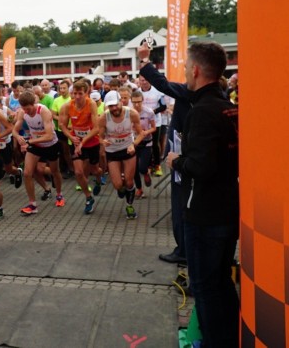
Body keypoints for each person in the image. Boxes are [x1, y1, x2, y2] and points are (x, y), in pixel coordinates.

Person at [165, 42, 239, 347]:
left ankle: (213, 341)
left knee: (205, 286)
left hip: (205, 215)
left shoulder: (201, 112)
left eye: (185, 67)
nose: (184, 73)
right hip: (227, 208)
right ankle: (230, 336)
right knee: (222, 281)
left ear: (195, 70)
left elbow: (201, 166)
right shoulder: (228, 106)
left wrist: (175, 160)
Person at [138, 43, 191, 264]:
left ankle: (183, 252)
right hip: (182, 160)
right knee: (181, 208)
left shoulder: (193, 93)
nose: (185, 71)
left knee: (181, 208)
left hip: (183, 162)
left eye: (188, 68)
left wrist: (144, 60)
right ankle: (184, 249)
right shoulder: (206, 94)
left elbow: (162, 84)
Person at [14, 91, 65, 215]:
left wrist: (29, 141)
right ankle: (32, 204)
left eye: (28, 109)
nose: (26, 111)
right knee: (27, 173)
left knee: (55, 171)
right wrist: (19, 138)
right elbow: (14, 130)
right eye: (24, 109)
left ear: (34, 104)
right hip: (35, 145)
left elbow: (48, 135)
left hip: (50, 144)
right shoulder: (22, 112)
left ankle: (59, 195)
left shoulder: (44, 111)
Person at [98, 91, 144, 219]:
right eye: (110, 106)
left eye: (115, 105)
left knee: (129, 182)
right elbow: (100, 137)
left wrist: (133, 145)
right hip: (112, 151)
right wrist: (103, 142)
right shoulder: (103, 117)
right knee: (118, 184)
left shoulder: (132, 113)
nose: (114, 108)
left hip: (128, 149)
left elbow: (141, 134)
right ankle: (123, 190)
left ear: (121, 101)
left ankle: (129, 206)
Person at [58, 80, 102, 214]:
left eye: (80, 93)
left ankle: (99, 180)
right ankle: (88, 198)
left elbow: (96, 128)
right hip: (76, 141)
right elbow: (62, 126)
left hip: (92, 141)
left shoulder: (91, 104)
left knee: (96, 169)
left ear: (86, 93)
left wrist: (83, 142)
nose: (77, 97)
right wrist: (71, 137)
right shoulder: (67, 106)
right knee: (78, 172)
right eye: (74, 93)